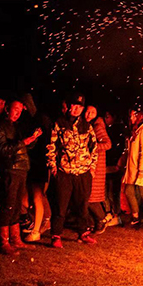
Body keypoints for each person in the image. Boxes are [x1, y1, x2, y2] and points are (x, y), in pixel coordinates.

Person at [46, 93, 98, 248]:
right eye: (73, 106)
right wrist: (53, 166)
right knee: (61, 205)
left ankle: (83, 233)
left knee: (82, 204)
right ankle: (56, 235)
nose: (75, 109)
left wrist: (92, 167)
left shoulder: (87, 127)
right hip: (65, 172)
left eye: (79, 107)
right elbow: (51, 145)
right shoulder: (60, 123)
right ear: (69, 106)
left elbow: (94, 147)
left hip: (83, 173)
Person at [0, 99, 42, 255]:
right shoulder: (0, 126)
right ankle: (3, 242)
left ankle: (15, 239)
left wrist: (32, 139)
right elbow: (3, 149)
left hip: (21, 169)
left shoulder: (16, 127)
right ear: (7, 109)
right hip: (10, 170)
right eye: (15, 109)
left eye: (20, 111)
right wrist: (23, 142)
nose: (18, 113)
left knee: (16, 205)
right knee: (7, 205)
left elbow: (22, 145)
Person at [21, 93, 53, 242]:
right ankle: (42, 220)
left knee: (37, 195)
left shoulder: (41, 119)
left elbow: (45, 142)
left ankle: (36, 230)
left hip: (39, 162)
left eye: (24, 105)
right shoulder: (26, 120)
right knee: (24, 199)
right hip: (28, 163)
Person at [121, 105, 143, 229]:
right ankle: (135, 216)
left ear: (140, 115)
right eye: (131, 115)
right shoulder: (135, 130)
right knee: (128, 191)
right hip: (132, 168)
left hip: (141, 168)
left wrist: (142, 170)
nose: (131, 117)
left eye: (134, 115)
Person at [85, 105, 112, 234]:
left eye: (93, 112)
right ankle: (92, 223)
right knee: (87, 196)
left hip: (97, 168)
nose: (89, 114)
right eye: (88, 111)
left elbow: (108, 144)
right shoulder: (88, 125)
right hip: (90, 166)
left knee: (91, 197)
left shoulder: (98, 126)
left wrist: (92, 146)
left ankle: (101, 219)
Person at [104, 109, 125, 223]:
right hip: (107, 164)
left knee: (114, 191)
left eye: (108, 117)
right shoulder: (107, 130)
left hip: (115, 164)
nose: (105, 119)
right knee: (106, 191)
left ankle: (117, 214)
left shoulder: (117, 131)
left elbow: (119, 148)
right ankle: (109, 212)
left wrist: (118, 162)